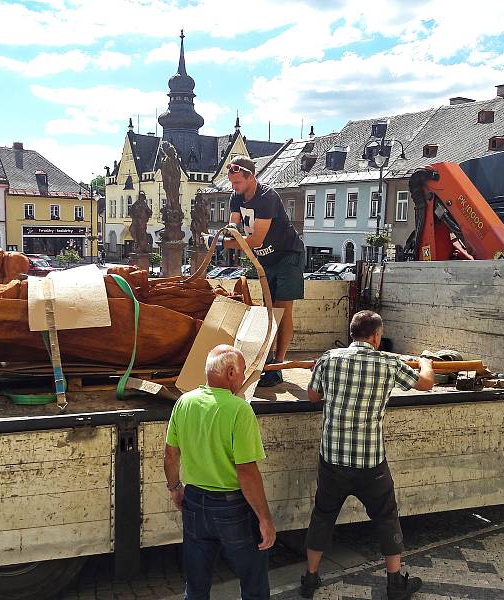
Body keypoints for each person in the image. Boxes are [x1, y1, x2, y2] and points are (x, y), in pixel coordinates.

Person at [300, 310, 435, 600]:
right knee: (386, 517)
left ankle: (310, 579)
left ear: (352, 333)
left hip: (333, 458)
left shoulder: (329, 358)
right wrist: (425, 362)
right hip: (370, 461)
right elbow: (426, 384)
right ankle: (395, 584)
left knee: (322, 516)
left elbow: (313, 396)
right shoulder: (389, 363)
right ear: (375, 336)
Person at [164, 344, 276, 600]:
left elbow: (171, 455)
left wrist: (175, 488)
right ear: (230, 372)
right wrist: (265, 518)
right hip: (231, 508)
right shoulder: (239, 409)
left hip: (194, 502)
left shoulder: (184, 402)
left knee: (196, 585)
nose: (244, 377)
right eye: (242, 371)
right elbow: (246, 471)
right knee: (253, 580)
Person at [223, 155, 305, 387]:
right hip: (266, 260)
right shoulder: (235, 197)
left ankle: (277, 365)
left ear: (251, 177)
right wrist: (224, 238)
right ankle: (266, 360)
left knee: (282, 309)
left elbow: (256, 238)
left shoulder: (267, 197)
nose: (234, 187)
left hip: (289, 255)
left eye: (238, 182)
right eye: (232, 183)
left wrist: (228, 242)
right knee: (270, 310)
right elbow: (233, 228)